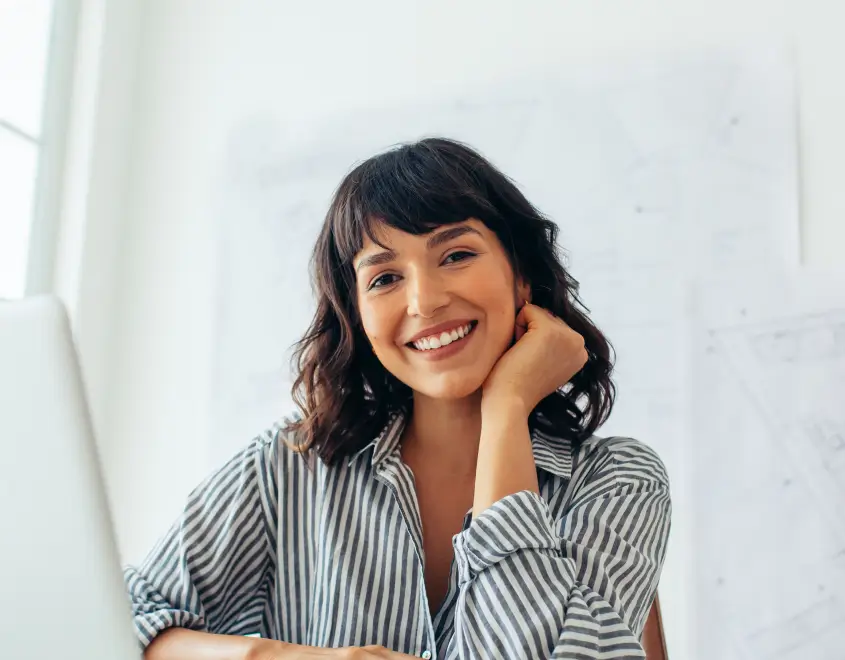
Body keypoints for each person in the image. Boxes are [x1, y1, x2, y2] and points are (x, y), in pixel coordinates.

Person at [124, 137, 672, 660]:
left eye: (456, 255)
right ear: (357, 316)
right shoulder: (291, 466)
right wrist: (278, 655)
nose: (425, 301)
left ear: (521, 277)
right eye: (384, 278)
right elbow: (119, 620)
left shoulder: (618, 480)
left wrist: (506, 408)